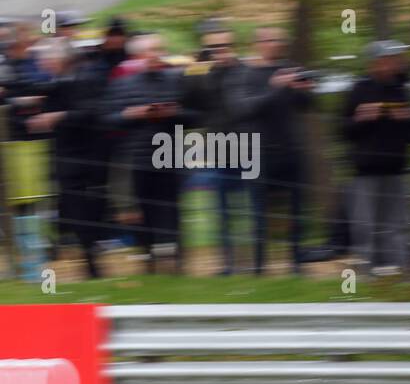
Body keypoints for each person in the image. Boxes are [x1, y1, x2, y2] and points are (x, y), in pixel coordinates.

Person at [104, 33, 196, 271]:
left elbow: (197, 115)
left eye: (159, 49)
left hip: (171, 157)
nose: (156, 55)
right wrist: (131, 114)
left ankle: (176, 261)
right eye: (150, 50)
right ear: (138, 56)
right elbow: (108, 119)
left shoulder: (176, 80)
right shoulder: (123, 84)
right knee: (143, 213)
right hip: (139, 161)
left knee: (171, 210)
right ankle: (149, 260)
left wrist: (174, 112)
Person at [229, 26, 315, 274]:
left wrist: (303, 91)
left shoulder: (291, 69)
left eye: (278, 39)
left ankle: (297, 265)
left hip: (290, 150)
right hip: (257, 152)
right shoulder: (245, 74)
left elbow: (307, 105)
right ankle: (259, 268)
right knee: (258, 214)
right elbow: (242, 109)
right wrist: (276, 87)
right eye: (269, 40)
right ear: (258, 43)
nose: (274, 44)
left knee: (297, 211)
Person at [340, 39, 410, 275]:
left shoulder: (402, 91)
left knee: (399, 224)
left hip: (396, 168)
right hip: (366, 170)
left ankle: (402, 270)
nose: (395, 64)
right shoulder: (360, 89)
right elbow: (343, 131)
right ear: (375, 63)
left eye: (397, 60)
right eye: (389, 60)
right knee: (365, 225)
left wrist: (407, 118)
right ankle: (369, 271)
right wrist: (361, 118)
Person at [27, 38, 111, 278]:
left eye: (47, 58)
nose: (43, 63)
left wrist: (56, 118)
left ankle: (91, 258)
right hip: (66, 157)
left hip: (87, 155)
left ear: (61, 59)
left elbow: (90, 112)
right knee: (74, 208)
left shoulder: (85, 78)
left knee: (88, 209)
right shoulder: (55, 83)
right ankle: (86, 256)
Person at [185, 28, 248, 275]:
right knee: (222, 209)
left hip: (244, 146)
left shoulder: (242, 71)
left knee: (243, 208)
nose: (219, 53)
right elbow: (188, 99)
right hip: (218, 148)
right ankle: (228, 263)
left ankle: (246, 261)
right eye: (213, 49)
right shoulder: (204, 74)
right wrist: (197, 67)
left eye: (223, 47)